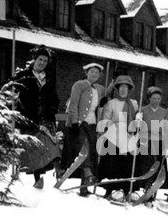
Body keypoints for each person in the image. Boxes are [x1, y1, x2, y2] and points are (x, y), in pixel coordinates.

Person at [13, 45, 61, 189]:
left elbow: (54, 98)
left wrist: (51, 108)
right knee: (34, 147)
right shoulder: (24, 76)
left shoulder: (49, 78)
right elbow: (15, 93)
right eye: (40, 59)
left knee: (50, 145)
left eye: (45, 61)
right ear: (34, 60)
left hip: (45, 117)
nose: (42, 63)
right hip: (29, 117)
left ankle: (59, 172)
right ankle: (37, 178)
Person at [61, 63, 106, 197]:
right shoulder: (79, 85)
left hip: (92, 123)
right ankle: (88, 174)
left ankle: (84, 187)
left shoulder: (99, 88)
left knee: (91, 152)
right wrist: (74, 122)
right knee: (83, 150)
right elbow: (73, 104)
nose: (94, 75)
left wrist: (112, 86)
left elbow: (107, 93)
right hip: (79, 123)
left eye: (97, 73)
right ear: (86, 72)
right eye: (92, 72)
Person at [98, 75, 140, 200]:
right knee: (112, 165)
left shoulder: (134, 103)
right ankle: (110, 189)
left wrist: (137, 121)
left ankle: (126, 189)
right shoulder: (111, 103)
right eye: (120, 87)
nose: (123, 90)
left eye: (125, 88)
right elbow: (105, 119)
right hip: (113, 137)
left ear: (129, 90)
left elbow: (136, 119)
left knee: (127, 165)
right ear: (117, 89)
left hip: (128, 137)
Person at [138, 87, 168, 203]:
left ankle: (153, 189)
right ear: (149, 98)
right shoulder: (143, 110)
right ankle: (146, 187)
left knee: (157, 165)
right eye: (154, 98)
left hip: (159, 141)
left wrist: (166, 147)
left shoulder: (164, 112)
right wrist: (138, 121)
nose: (156, 101)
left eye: (158, 99)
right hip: (146, 140)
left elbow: (166, 131)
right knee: (147, 165)